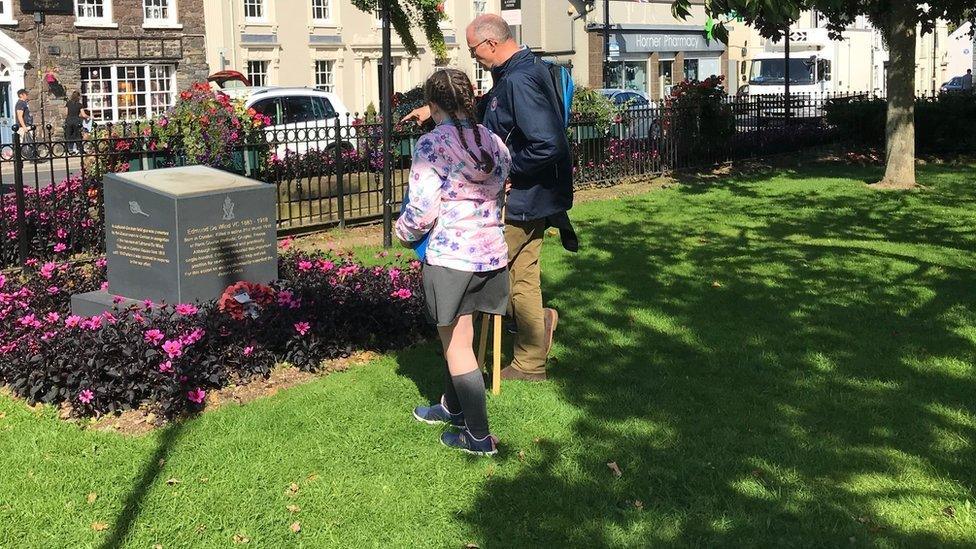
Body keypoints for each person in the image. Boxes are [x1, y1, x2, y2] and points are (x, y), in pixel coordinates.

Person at [403, 14, 575, 382]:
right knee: (522, 275)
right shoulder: (520, 71)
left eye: (473, 50)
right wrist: (437, 115)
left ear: (491, 44)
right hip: (536, 196)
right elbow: (500, 117)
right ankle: (530, 358)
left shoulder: (520, 78)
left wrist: (508, 172)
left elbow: (550, 143)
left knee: (479, 274)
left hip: (522, 197)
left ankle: (463, 356)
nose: (474, 56)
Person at [397, 68, 512, 456]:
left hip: (451, 257)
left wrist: (403, 232)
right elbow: (501, 190)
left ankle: (477, 437)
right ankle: (451, 408)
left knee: (458, 344)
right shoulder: (494, 141)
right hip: (492, 254)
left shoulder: (432, 145)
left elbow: (422, 211)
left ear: (432, 105)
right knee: (461, 338)